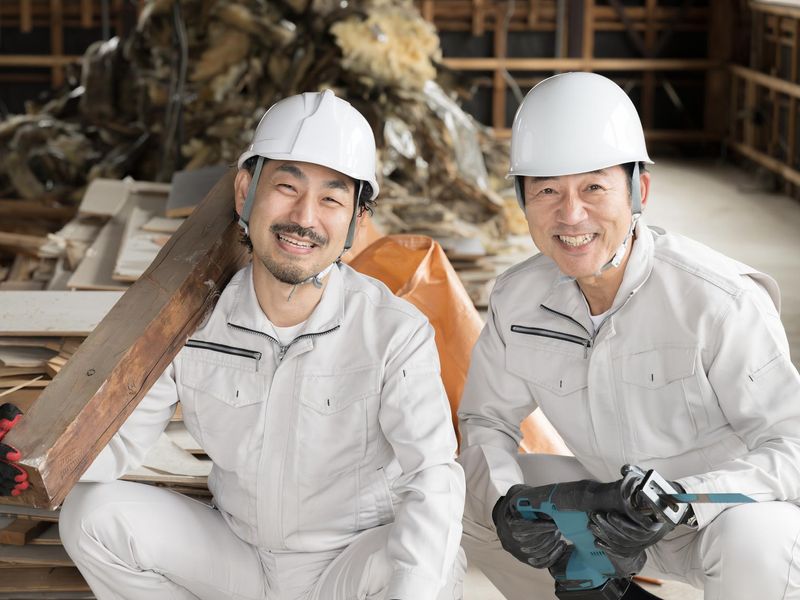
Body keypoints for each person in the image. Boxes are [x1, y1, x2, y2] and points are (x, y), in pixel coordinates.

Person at [1, 90, 466, 599]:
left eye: (331, 199)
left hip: (347, 568)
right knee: (93, 516)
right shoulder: (197, 323)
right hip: (240, 556)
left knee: (434, 561)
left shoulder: (394, 332)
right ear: (245, 191)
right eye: (286, 187)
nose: (304, 217)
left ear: (356, 220)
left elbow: (432, 476)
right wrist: (24, 452)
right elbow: (117, 442)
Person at [457, 71, 800, 600]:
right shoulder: (518, 300)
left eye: (594, 187)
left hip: (716, 518)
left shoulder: (718, 301)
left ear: (639, 190)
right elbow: (486, 420)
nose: (571, 215)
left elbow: (793, 446)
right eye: (547, 190)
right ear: (522, 199)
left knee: (761, 538)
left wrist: (682, 498)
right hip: (608, 518)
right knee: (463, 498)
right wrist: (507, 505)